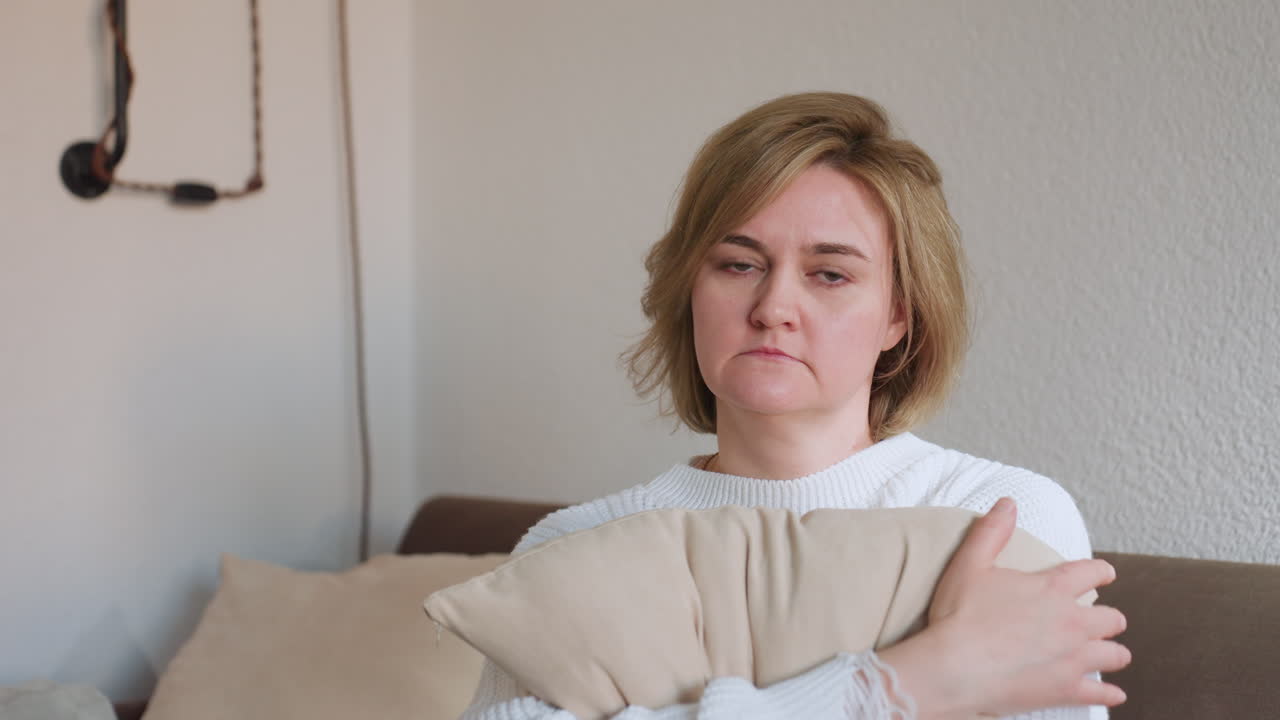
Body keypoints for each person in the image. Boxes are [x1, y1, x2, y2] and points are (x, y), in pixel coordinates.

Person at [459, 92, 1130, 720]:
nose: (773, 308)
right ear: (689, 288)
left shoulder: (1000, 516)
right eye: (738, 264)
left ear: (899, 315)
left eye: (830, 274)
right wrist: (902, 685)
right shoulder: (574, 548)